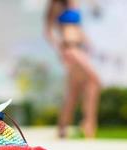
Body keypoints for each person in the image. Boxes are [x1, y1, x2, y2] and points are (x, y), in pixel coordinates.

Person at [44, 0, 100, 138]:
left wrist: (87, 42)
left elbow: (77, 27)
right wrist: (60, 49)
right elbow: (48, 30)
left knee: (75, 90)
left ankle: (63, 127)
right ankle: (89, 122)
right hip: (69, 48)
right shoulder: (57, 4)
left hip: (80, 47)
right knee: (94, 80)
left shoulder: (74, 3)